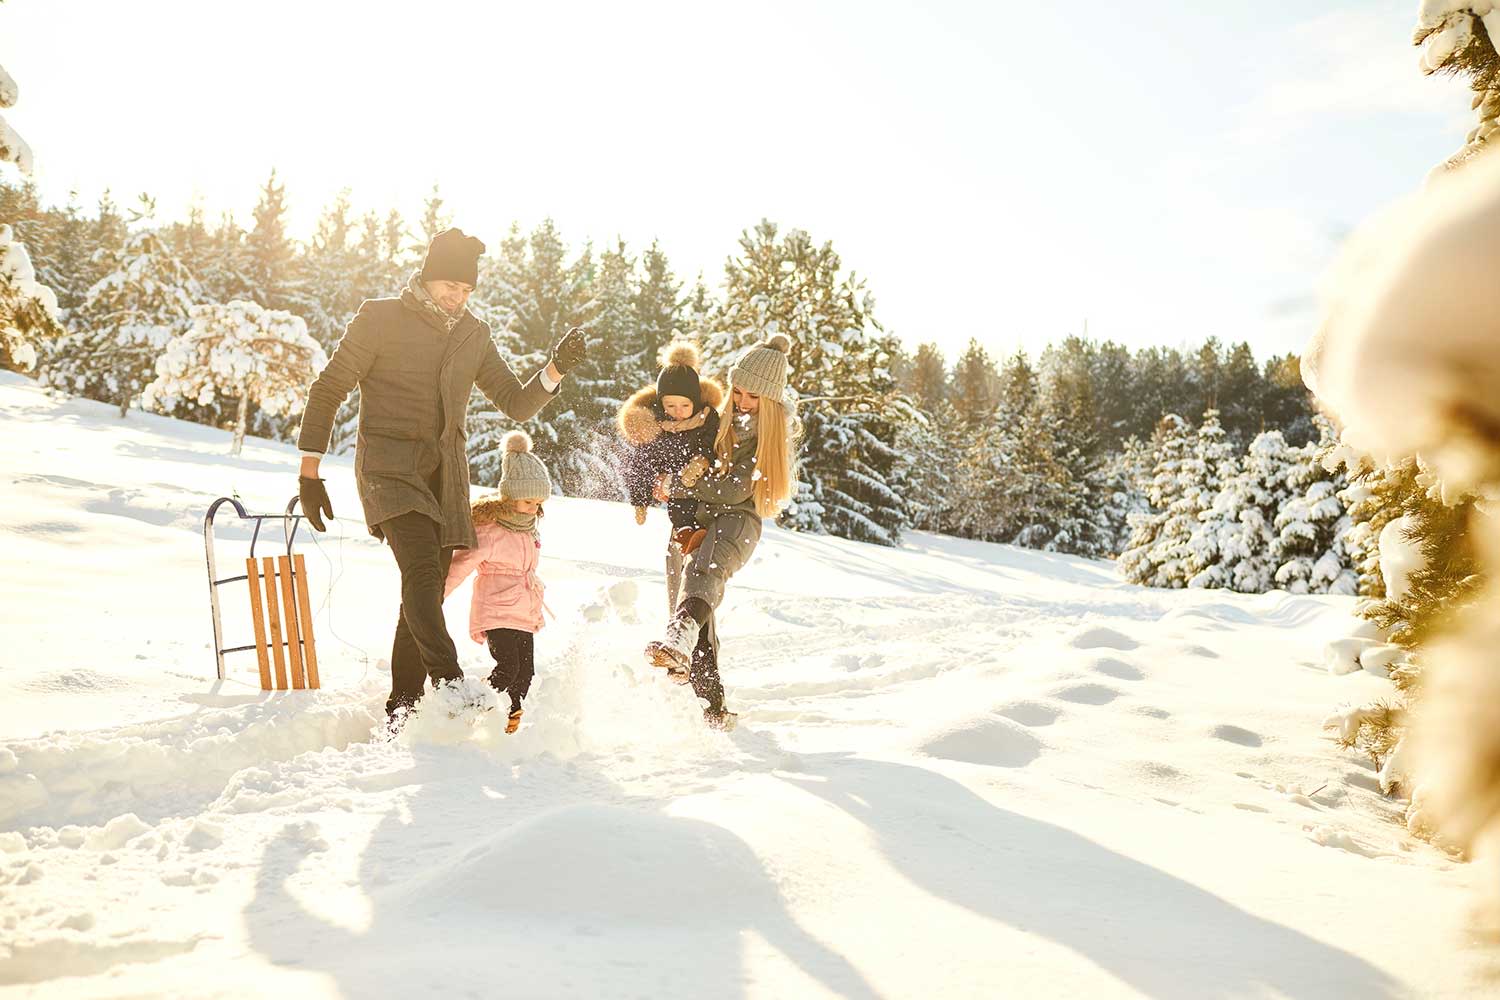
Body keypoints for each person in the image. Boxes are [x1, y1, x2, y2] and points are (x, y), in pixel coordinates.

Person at [293, 227, 586, 727]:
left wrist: (554, 370)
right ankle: (449, 683)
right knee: (423, 576)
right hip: (389, 469)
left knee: (424, 592)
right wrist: (310, 472)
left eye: (468, 290)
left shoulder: (474, 334)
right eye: (450, 286)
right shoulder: (379, 317)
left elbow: (514, 402)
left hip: (445, 478)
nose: (458, 297)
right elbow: (329, 388)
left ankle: (402, 707)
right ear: (427, 278)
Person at [645, 333, 800, 730]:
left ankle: (680, 637)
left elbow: (734, 490)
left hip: (738, 519)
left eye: (754, 397)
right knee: (688, 595)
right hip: (700, 515)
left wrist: (682, 483)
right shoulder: (719, 419)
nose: (744, 403)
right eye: (739, 392)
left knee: (703, 574)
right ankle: (712, 705)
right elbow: (675, 419)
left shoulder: (770, 436)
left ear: (771, 400)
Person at [443, 431, 551, 734]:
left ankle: (510, 715)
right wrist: (434, 596)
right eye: (528, 500)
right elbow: (463, 564)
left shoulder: (528, 527)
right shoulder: (491, 529)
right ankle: (469, 708)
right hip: (496, 607)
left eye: (538, 502)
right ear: (510, 496)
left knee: (525, 672)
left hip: (524, 611)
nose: (534, 507)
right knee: (508, 668)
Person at [616, 341, 723, 615]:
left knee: (697, 568)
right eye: (670, 405)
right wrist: (640, 501)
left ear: (695, 402)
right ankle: (685, 534)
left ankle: (692, 539)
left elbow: (712, 445)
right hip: (676, 495)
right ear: (661, 403)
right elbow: (641, 464)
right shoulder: (656, 429)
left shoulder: (707, 421)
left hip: (706, 495)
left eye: (684, 405)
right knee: (678, 508)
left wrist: (701, 461)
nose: (677, 411)